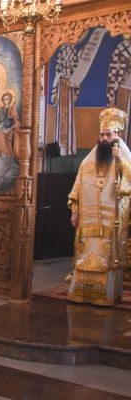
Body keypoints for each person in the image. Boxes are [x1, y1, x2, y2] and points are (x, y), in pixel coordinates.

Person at [68, 107, 131, 306]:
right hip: (88, 221)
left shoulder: (123, 155)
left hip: (111, 220)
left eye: (108, 135)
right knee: (86, 254)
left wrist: (120, 160)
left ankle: (106, 295)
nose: (104, 138)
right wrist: (75, 211)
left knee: (107, 256)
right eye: (102, 134)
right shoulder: (89, 160)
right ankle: (82, 293)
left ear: (116, 135)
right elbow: (77, 187)